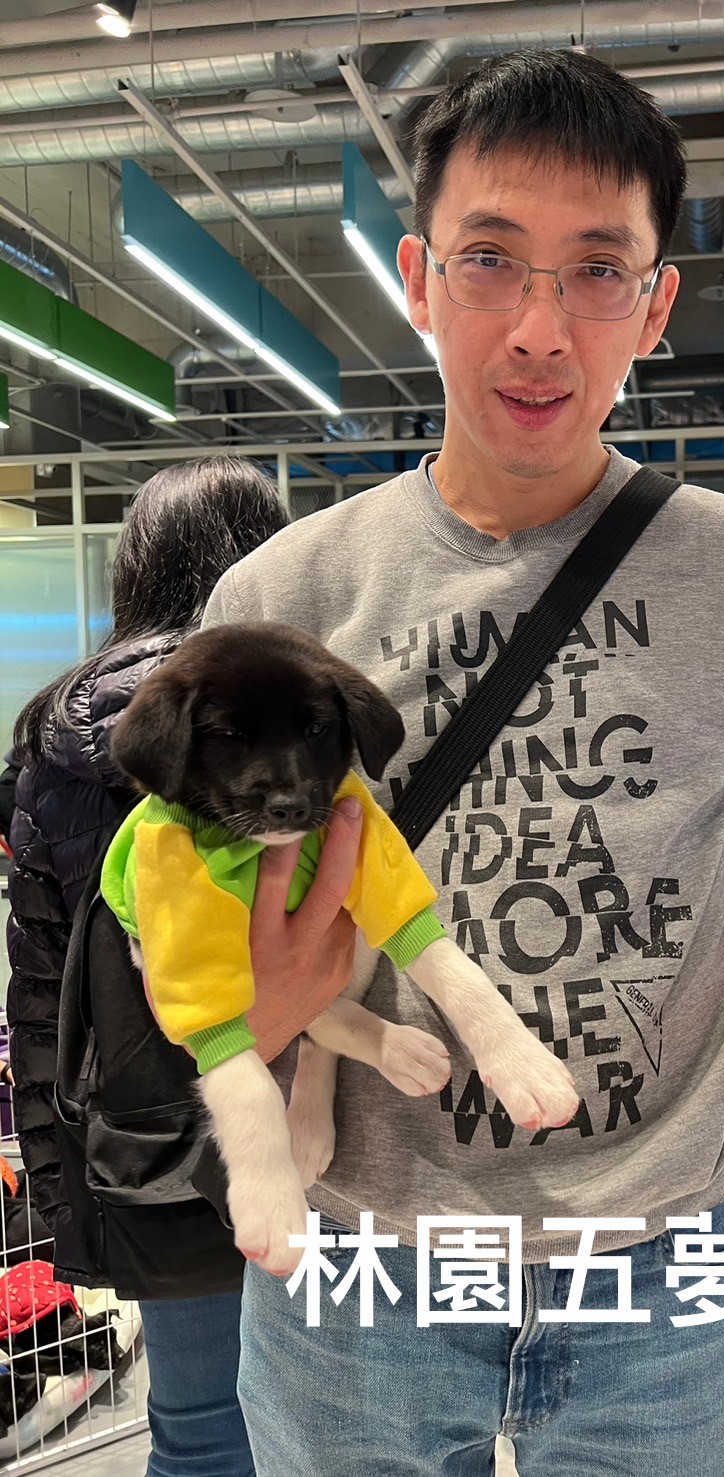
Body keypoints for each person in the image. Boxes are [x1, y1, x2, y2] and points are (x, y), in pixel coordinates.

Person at [202, 51, 724, 1476]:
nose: (540, 329)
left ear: (655, 306)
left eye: (598, 270)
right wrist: (254, 1007)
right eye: (490, 259)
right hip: (359, 1248)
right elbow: (198, 909)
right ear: (419, 281)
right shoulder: (282, 599)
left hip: (660, 1256)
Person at [5, 456, 290, 1477]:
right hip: (319, 1122)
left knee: (200, 1430)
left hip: (150, 1144)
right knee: (363, 1427)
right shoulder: (305, 715)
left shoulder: (57, 742)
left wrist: (61, 1186)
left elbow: (41, 986)